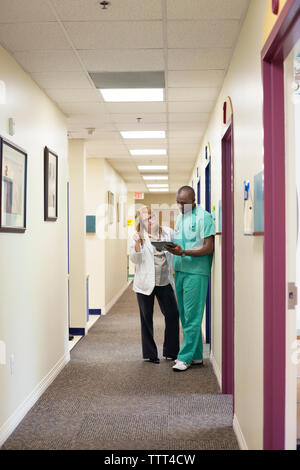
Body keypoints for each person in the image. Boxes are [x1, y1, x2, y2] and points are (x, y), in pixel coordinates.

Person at [164, 186, 215, 372]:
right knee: (185, 316)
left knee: (193, 316)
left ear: (193, 201)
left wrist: (184, 252)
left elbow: (209, 247)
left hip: (196, 272)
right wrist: (171, 248)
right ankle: (196, 357)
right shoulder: (179, 217)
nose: (180, 206)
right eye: (178, 202)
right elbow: (180, 242)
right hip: (180, 269)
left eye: (183, 203)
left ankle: (184, 357)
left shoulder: (205, 217)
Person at [130, 206, 180, 364]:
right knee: (146, 319)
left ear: (156, 217)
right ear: (142, 223)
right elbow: (135, 260)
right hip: (145, 283)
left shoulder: (168, 232)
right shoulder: (140, 236)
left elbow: (177, 248)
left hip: (164, 281)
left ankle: (171, 351)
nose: (150, 221)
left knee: (172, 315)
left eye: (151, 217)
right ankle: (151, 354)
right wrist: (137, 244)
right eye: (146, 219)